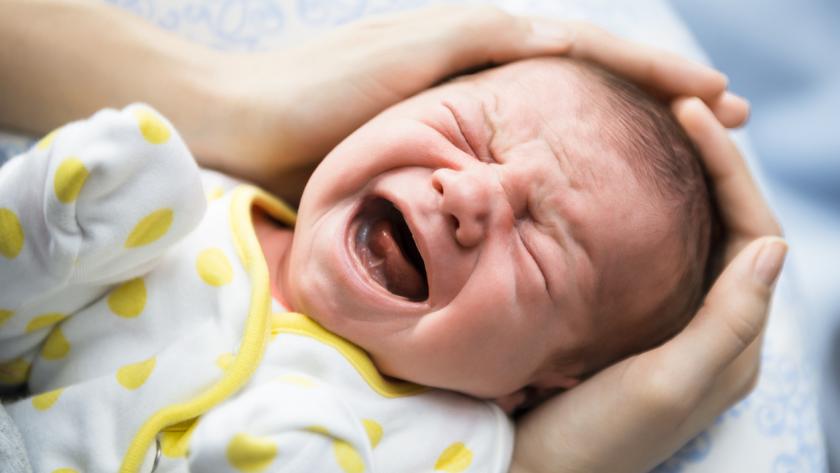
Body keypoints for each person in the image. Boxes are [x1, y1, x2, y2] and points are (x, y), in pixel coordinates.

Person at [0, 2, 783, 473]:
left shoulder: (450, 442)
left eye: (545, 250)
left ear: (534, 386)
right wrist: (51, 223)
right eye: (468, 132)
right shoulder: (194, 205)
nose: (471, 191)